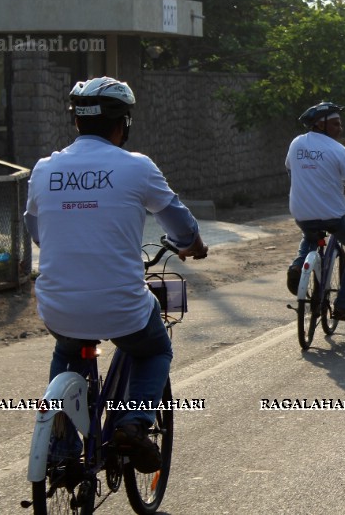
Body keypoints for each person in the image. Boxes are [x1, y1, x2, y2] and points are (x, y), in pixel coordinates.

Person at [25, 77, 208, 473]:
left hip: (58, 306)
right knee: (155, 348)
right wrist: (192, 244)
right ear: (123, 123)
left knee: (68, 350)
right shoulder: (137, 167)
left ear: (77, 122)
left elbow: (36, 231)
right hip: (120, 307)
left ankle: (60, 447)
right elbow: (179, 223)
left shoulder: (44, 170)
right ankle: (133, 422)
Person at [286, 102, 345, 322]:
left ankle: (298, 266)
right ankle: (343, 306)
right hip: (334, 215)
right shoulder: (338, 150)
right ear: (320, 124)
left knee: (310, 235)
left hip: (301, 212)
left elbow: (290, 170)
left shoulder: (296, 143)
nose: (340, 128)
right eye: (336, 124)